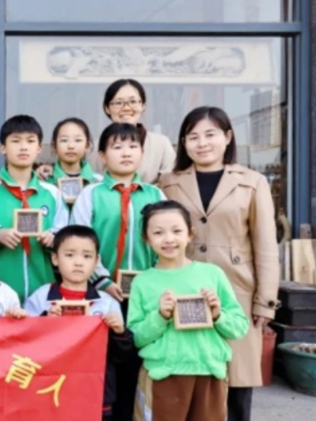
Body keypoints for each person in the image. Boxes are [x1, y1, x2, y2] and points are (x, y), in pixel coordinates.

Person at [158, 106, 280, 421]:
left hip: (236, 291)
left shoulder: (252, 182)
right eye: (193, 136)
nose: (202, 143)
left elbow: (266, 245)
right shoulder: (168, 183)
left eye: (210, 134)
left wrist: (265, 301)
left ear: (227, 137)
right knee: (190, 377)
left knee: (236, 380)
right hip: (183, 287)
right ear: (183, 143)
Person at [70, 123, 165, 421]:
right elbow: (79, 243)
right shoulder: (91, 195)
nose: (126, 153)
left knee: (138, 364)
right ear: (102, 155)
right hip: (103, 294)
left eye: (133, 146)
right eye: (117, 147)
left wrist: (152, 282)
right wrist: (102, 280)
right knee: (106, 365)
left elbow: (164, 244)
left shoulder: (155, 194)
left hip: (146, 297)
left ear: (142, 153)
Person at [129, 201, 249, 421]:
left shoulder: (213, 274)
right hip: (163, 374)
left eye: (177, 231)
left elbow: (239, 327)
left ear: (190, 234)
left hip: (209, 371)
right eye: (158, 232)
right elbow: (135, 336)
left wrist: (217, 315)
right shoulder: (142, 282)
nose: (169, 239)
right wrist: (160, 316)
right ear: (146, 238)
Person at [25, 225, 133, 421]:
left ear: (96, 261)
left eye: (86, 256)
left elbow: (121, 356)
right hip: (49, 390)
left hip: (96, 394)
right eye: (69, 255)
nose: (78, 262)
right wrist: (44, 321)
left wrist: (119, 332)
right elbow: (25, 344)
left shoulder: (107, 302)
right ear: (55, 258)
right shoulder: (41, 297)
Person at [0, 115, 69, 304]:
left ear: (39, 148)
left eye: (30, 141)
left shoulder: (52, 193)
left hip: (43, 291)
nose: (23, 147)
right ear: (3, 148)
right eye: (16, 141)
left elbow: (67, 235)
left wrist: (54, 239)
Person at [45, 117, 102, 210]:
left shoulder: (98, 182)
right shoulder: (45, 181)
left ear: (87, 146)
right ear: (54, 146)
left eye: (78, 140)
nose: (71, 146)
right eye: (64, 140)